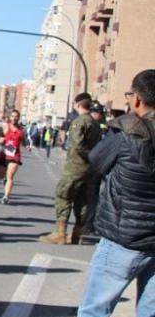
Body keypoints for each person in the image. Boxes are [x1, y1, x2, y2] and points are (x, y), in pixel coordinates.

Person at [37, 69, 155, 317]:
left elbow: (95, 162)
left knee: (92, 316)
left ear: (136, 98)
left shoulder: (125, 133)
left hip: (123, 239)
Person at [40, 93, 103, 245]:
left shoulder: (79, 122)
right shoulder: (95, 123)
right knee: (83, 200)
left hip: (76, 166)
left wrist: (86, 156)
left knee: (63, 195)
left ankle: (60, 233)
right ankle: (77, 234)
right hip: (91, 168)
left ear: (78, 104)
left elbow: (77, 145)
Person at [0, 109, 24, 204]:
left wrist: (28, 146)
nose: (14, 118)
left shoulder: (21, 130)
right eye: (13, 116)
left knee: (10, 177)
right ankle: (5, 181)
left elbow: (24, 142)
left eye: (16, 116)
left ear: (18, 118)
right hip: (4, 155)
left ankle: (6, 196)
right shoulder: (5, 127)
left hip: (15, 156)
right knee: (1, 176)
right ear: (10, 117)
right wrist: (0, 139)